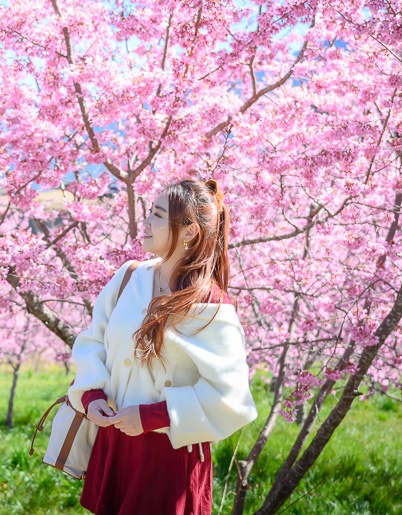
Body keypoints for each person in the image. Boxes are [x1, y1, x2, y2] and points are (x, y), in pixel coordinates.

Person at [67, 179, 258, 515]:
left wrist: (153, 416)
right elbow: (93, 341)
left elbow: (233, 397)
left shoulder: (211, 304)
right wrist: (91, 396)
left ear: (188, 233)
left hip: (167, 453)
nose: (146, 221)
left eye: (157, 215)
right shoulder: (128, 277)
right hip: (114, 442)